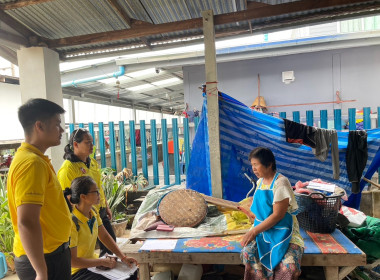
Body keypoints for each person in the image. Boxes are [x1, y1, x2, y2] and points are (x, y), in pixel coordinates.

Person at [7, 98, 72, 280]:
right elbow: (27, 221)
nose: (62, 130)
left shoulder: (35, 159)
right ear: (40, 126)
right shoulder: (31, 163)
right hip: (43, 259)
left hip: (51, 255)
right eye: (57, 124)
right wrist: (41, 272)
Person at [241, 147, 304, 280]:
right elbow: (260, 209)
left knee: (289, 266)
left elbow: (278, 215)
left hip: (283, 229)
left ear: (269, 164)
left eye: (256, 165)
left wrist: (253, 232)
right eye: (252, 165)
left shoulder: (281, 183)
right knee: (249, 253)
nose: (253, 169)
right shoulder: (260, 182)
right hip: (263, 229)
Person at [57, 128, 117, 257]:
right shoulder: (68, 169)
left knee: (110, 245)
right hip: (83, 216)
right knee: (90, 250)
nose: (92, 146)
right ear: (75, 144)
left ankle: (104, 268)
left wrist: (105, 206)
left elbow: (99, 187)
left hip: (98, 211)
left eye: (92, 142)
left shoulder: (93, 163)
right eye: (88, 142)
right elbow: (67, 197)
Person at [63, 176, 137, 279]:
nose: (99, 194)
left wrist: (123, 257)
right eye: (96, 192)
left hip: (93, 266)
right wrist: (101, 261)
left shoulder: (93, 212)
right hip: (77, 272)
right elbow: (73, 261)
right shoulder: (72, 222)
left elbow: (104, 236)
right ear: (83, 196)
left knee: (132, 272)